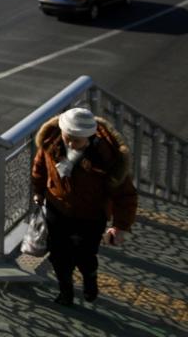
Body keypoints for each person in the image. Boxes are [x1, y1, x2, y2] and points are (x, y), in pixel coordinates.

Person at [31, 108, 137, 307]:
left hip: (91, 216)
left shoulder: (107, 157)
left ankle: (90, 278)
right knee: (58, 255)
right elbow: (39, 168)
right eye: (67, 137)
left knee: (84, 255)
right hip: (57, 209)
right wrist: (38, 190)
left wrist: (120, 226)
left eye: (77, 140)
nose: (70, 143)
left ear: (90, 136)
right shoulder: (51, 143)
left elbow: (126, 195)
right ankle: (66, 292)